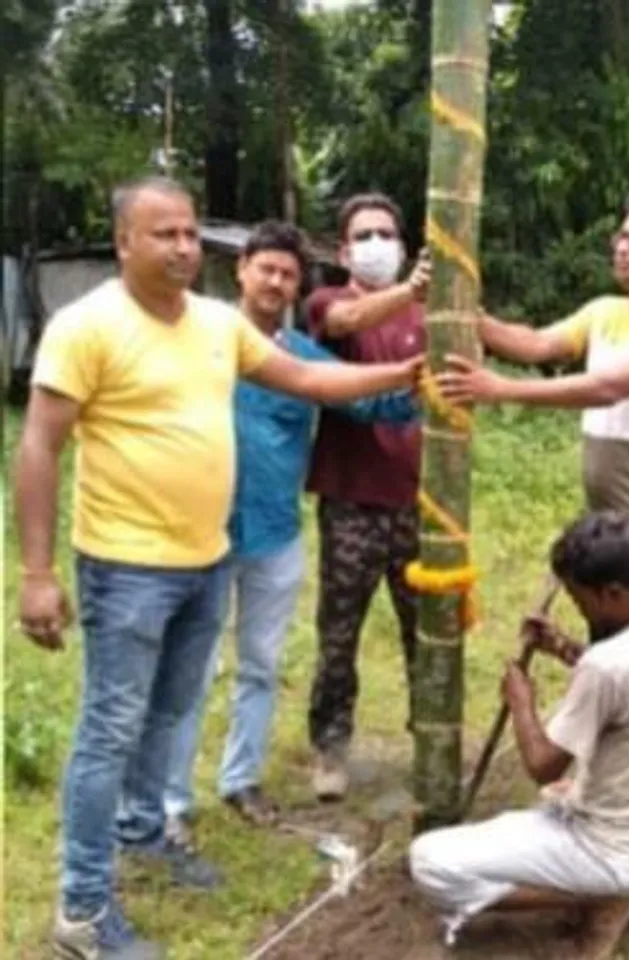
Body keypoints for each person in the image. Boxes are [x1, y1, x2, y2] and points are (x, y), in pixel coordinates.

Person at [14, 176, 422, 960]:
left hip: (207, 558)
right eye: (162, 233)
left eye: (189, 232)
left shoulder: (214, 324)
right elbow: (38, 445)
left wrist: (402, 377)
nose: (182, 246)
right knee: (109, 730)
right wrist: (36, 573)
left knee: (170, 714)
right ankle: (83, 909)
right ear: (124, 242)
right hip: (126, 569)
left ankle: (144, 832)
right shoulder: (86, 326)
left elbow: (309, 378)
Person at [163, 221, 419, 833]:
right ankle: (170, 800)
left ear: (298, 286)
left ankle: (240, 779)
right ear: (241, 270)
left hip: (273, 534)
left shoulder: (301, 356)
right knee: (190, 669)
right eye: (266, 269)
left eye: (288, 275)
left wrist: (426, 380)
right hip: (198, 532)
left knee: (259, 663)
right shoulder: (197, 338)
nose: (275, 282)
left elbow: (367, 400)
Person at [409, 511, 629, 959]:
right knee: (558, 797)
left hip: (612, 848)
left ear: (612, 593)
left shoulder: (608, 667)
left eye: (580, 598)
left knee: (430, 862)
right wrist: (564, 647)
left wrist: (522, 703)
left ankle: (603, 896)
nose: (579, 608)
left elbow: (542, 765)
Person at [438, 192, 629, 599]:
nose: (623, 248)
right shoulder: (604, 311)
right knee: (606, 620)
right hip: (606, 520)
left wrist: (502, 389)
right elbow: (537, 344)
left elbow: (607, 388)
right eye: (622, 236)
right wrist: (466, 311)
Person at [303, 192, 431, 800]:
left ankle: (432, 740)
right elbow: (345, 323)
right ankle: (330, 749)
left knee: (426, 631)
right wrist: (409, 291)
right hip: (351, 500)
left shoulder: (427, 316)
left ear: (402, 246)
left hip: (418, 503)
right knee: (339, 633)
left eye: (386, 233)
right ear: (344, 250)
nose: (377, 244)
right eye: (364, 235)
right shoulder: (327, 303)